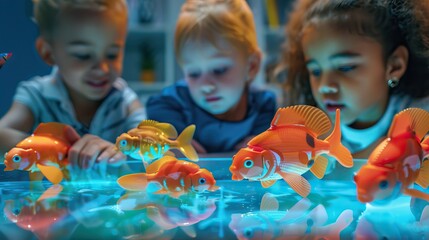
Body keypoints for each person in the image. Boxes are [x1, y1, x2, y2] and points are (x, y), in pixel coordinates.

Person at [0, 0, 146, 169]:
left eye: (112, 55)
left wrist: (114, 155)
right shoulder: (35, 96)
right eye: (83, 55)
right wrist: (56, 149)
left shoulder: (125, 101)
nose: (102, 68)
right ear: (48, 53)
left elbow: (148, 148)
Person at [277, 0, 429, 158]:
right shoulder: (305, 131)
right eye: (315, 71)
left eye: (345, 67)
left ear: (394, 66)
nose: (324, 86)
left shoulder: (421, 119)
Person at [146, 0, 277, 154]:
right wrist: (174, 142)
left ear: (252, 66)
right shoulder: (172, 103)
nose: (205, 85)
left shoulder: (263, 105)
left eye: (219, 70)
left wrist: (261, 144)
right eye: (194, 73)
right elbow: (155, 107)